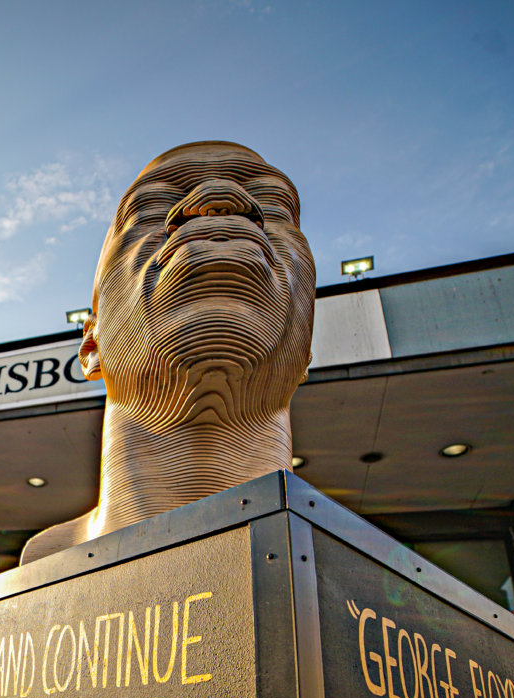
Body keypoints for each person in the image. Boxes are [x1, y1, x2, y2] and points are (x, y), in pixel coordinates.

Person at [21, 141, 317, 563]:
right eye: (153, 206)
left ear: (307, 346)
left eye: (273, 208)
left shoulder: (349, 569)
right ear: (92, 345)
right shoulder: (42, 566)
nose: (218, 198)